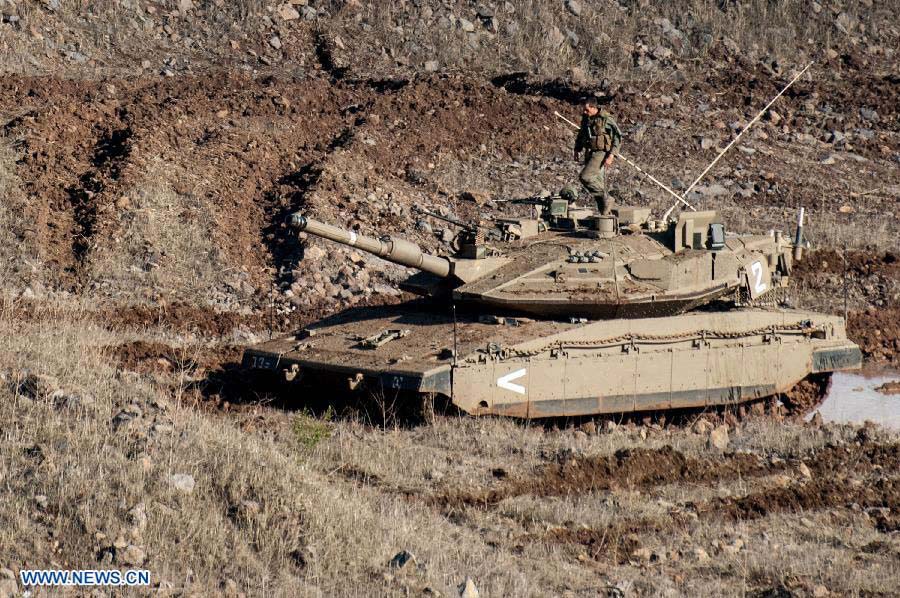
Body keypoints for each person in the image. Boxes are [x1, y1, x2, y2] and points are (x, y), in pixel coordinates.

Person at [574, 100, 622, 215]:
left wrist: (611, 155)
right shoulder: (586, 118)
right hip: (589, 152)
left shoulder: (606, 118)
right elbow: (582, 134)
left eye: (587, 109)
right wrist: (577, 149)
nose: (585, 112)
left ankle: (607, 197)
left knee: (585, 177)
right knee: (597, 184)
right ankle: (605, 214)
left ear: (594, 107)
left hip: (601, 153)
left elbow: (617, 137)